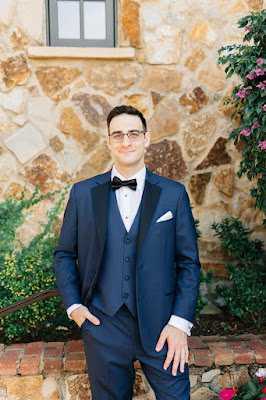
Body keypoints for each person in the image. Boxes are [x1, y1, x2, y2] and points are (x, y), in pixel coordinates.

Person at [54, 105, 201, 400]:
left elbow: (188, 264)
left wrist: (180, 324)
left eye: (134, 133)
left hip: (163, 328)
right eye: (118, 135)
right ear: (109, 142)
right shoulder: (83, 194)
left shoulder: (173, 194)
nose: (126, 141)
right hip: (103, 327)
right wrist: (75, 309)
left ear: (146, 139)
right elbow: (65, 254)